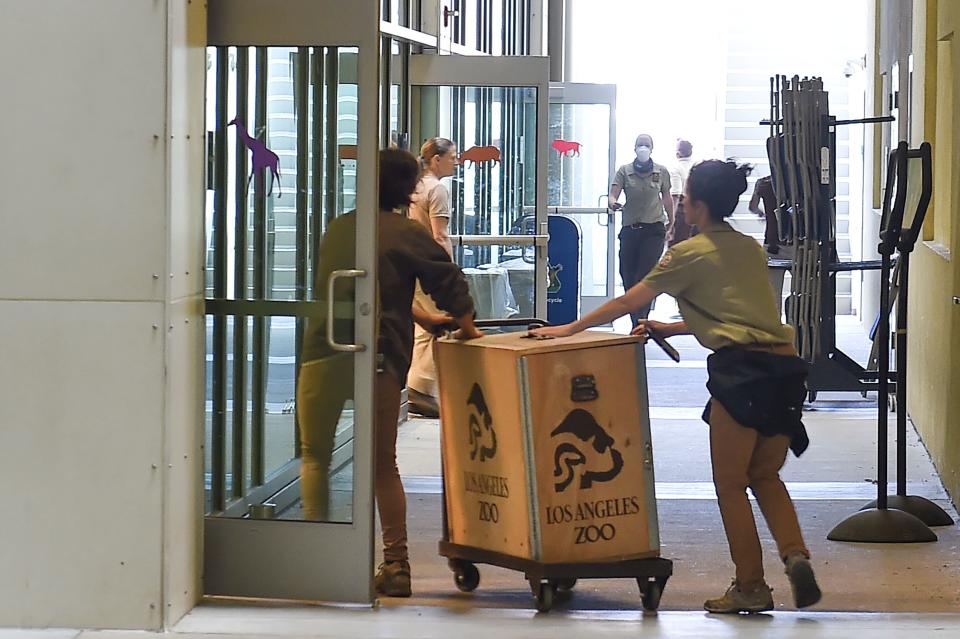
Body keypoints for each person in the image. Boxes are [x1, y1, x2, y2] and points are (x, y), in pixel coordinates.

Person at [531, 159, 821, 614]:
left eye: (685, 198)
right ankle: (796, 554)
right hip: (785, 372)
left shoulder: (685, 254)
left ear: (699, 206)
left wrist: (568, 329)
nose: (681, 204)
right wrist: (674, 327)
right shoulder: (748, 248)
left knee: (729, 483)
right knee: (765, 474)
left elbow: (630, 299)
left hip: (742, 376)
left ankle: (751, 585)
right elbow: (743, 318)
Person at [297, 148, 481, 598]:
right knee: (383, 464)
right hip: (376, 358)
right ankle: (396, 565)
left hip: (323, 352)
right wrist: (468, 328)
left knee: (315, 455)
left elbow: (363, 288)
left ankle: (316, 561)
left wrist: (420, 317)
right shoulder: (406, 232)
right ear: (409, 188)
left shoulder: (340, 227)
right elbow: (448, 281)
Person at [406, 137, 458, 417]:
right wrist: (447, 270)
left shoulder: (416, 186)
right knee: (435, 325)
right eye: (452, 157)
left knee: (422, 327)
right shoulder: (437, 189)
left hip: (413, 265)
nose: (457, 161)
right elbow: (440, 235)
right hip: (430, 267)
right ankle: (419, 387)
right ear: (436, 159)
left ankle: (420, 387)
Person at [609, 134, 674, 325]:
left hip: (653, 230)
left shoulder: (661, 171)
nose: (643, 148)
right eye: (640, 145)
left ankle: (642, 320)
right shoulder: (624, 171)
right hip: (630, 230)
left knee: (644, 276)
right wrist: (614, 203)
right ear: (634, 148)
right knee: (628, 275)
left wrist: (672, 220)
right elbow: (613, 194)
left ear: (652, 148)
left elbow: (667, 196)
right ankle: (635, 319)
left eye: (646, 145)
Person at [749, 174, 790, 316]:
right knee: (802, 295)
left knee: (772, 297)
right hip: (798, 245)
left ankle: (775, 333)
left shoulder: (763, 183)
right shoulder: (801, 182)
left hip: (773, 245)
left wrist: (763, 214)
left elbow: (752, 207)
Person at [667, 139, 697, 247]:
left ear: (678, 153)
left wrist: (671, 222)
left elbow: (675, 197)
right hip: (699, 214)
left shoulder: (676, 169)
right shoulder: (697, 166)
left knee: (677, 249)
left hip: (682, 214)